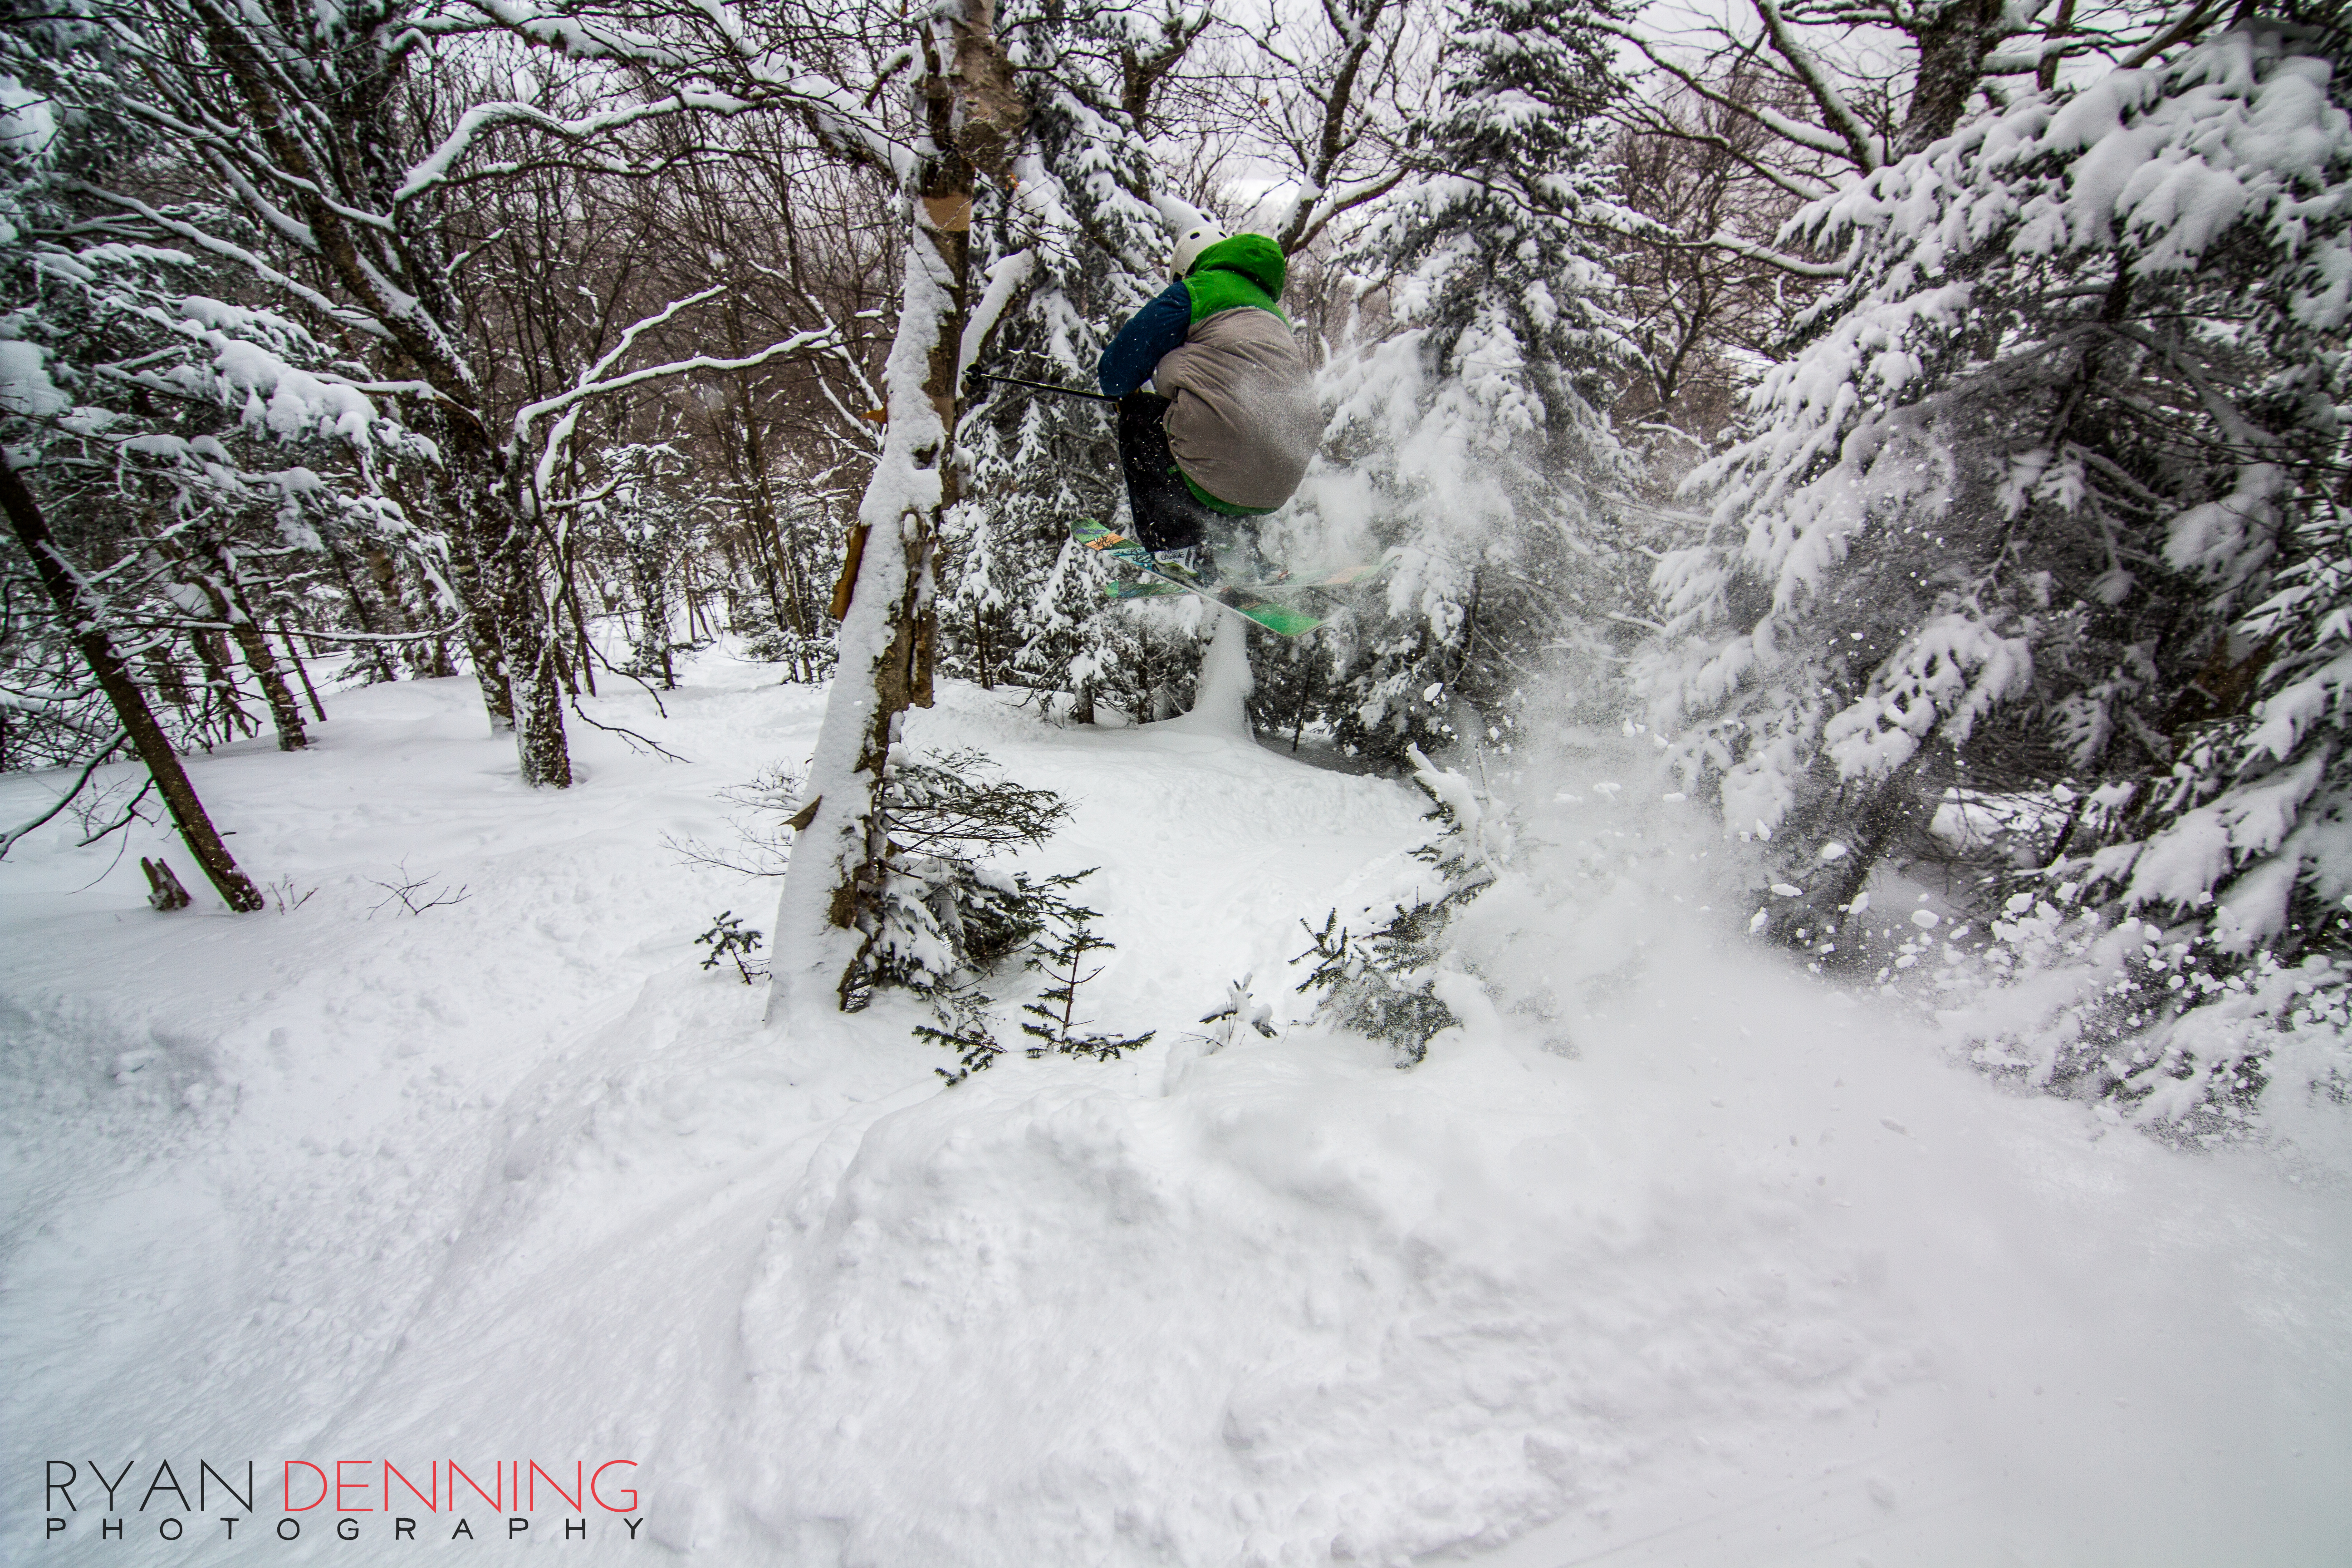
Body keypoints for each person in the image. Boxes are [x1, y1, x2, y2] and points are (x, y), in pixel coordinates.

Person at [1096, 219, 1318, 581]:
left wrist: (1127, 396)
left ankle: (1175, 547)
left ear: (1186, 269)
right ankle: (1250, 558)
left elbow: (1117, 369)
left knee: (1143, 417)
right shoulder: (1273, 315)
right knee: (1234, 433)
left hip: (1227, 451)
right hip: (1284, 470)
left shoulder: (1195, 292)